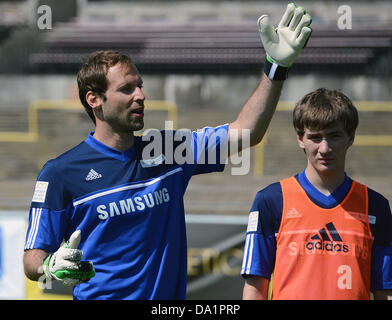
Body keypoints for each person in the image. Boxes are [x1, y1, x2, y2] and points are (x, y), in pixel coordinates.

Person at [23, 3, 312, 299]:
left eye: (140, 86)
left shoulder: (170, 150)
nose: (141, 96)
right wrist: (50, 263)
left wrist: (276, 68)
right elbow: (32, 259)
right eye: (127, 89)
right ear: (94, 99)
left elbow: (246, 132)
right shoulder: (60, 172)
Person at [241, 88, 392, 300]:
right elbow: (255, 288)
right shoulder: (271, 201)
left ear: (351, 138)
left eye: (335, 136)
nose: (325, 148)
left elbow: (385, 290)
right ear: (300, 139)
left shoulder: (375, 206)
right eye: (315, 137)